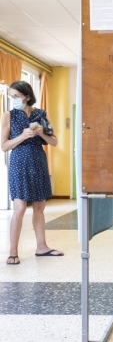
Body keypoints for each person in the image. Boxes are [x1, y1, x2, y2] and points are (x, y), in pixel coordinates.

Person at [1, 81, 64, 265]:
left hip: (38, 162)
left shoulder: (41, 114)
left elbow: (54, 142)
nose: (13, 100)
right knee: (20, 207)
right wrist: (22, 136)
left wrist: (41, 133)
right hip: (19, 163)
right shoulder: (8, 116)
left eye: (16, 96)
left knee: (39, 207)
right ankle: (13, 251)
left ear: (27, 97)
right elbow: (3, 146)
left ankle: (42, 247)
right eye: (11, 96)